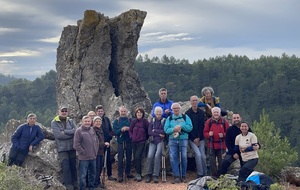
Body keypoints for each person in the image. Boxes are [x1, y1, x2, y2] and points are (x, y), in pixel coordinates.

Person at [164, 103, 193, 184]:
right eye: (174, 108)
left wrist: (181, 127)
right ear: (172, 110)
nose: (176, 110)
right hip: (172, 139)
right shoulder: (169, 118)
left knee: (183, 156)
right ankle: (176, 176)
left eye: (177, 108)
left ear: (180, 109)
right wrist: (174, 129)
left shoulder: (185, 117)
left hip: (183, 139)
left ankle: (183, 175)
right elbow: (166, 129)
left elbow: (190, 127)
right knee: (173, 157)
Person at [51, 106, 78, 190]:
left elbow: (76, 131)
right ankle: (68, 185)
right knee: (66, 167)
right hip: (62, 149)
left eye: (66, 111)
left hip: (72, 147)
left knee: (73, 166)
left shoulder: (70, 121)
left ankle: (75, 184)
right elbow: (59, 135)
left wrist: (65, 132)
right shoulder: (54, 122)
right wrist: (70, 134)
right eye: (62, 111)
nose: (64, 112)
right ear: (59, 112)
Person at [73, 115, 99, 190]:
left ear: (91, 122)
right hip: (83, 158)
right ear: (82, 122)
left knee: (92, 174)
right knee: (83, 175)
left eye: (88, 121)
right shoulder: (78, 131)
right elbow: (76, 145)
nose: (87, 123)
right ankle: (82, 188)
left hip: (93, 157)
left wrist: (95, 150)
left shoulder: (92, 129)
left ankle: (91, 187)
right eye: (86, 121)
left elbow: (96, 140)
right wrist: (83, 152)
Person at [203, 107, 229, 178]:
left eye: (217, 112)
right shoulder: (209, 122)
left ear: (220, 113)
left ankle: (221, 175)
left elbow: (228, 132)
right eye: (214, 112)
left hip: (221, 144)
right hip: (211, 144)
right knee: (212, 162)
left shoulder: (224, 122)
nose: (216, 114)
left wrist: (223, 135)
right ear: (212, 113)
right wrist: (209, 134)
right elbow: (205, 132)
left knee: (221, 161)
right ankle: (214, 176)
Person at [185, 95, 206, 178]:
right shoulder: (187, 113)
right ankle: (200, 174)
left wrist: (199, 138)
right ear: (190, 102)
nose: (194, 102)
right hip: (192, 139)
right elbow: (189, 127)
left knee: (203, 156)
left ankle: (205, 173)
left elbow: (202, 127)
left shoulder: (201, 113)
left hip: (201, 138)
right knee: (198, 155)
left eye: (196, 100)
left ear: (198, 101)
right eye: (193, 100)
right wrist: (194, 138)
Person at [95, 105, 116, 181]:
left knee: (108, 159)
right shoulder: (95, 121)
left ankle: (109, 174)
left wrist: (110, 136)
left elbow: (111, 130)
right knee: (99, 161)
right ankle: (98, 177)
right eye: (99, 111)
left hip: (107, 142)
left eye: (101, 111)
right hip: (98, 144)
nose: (100, 112)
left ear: (103, 112)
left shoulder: (106, 120)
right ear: (96, 112)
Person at [113, 106, 134, 183]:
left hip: (129, 140)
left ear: (127, 111)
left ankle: (128, 172)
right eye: (122, 111)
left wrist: (128, 128)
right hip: (120, 141)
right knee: (120, 158)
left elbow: (133, 129)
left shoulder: (130, 120)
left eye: (124, 111)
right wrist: (121, 130)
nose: (123, 113)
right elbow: (115, 132)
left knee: (129, 157)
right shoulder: (116, 121)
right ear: (119, 112)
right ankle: (120, 175)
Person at [145, 106, 166, 183]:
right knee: (150, 156)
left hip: (161, 141)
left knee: (157, 156)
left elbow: (164, 131)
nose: (158, 113)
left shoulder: (164, 120)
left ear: (162, 113)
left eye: (160, 112)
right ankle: (148, 174)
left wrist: (155, 130)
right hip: (153, 141)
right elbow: (149, 132)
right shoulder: (152, 120)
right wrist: (159, 133)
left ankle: (155, 175)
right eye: (157, 112)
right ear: (154, 113)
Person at [129, 107, 149, 182]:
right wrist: (131, 137)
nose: (139, 114)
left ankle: (139, 173)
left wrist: (145, 138)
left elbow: (148, 130)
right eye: (138, 113)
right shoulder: (133, 121)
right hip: (134, 142)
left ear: (143, 114)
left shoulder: (145, 122)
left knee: (138, 156)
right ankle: (138, 173)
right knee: (135, 157)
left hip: (142, 142)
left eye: (140, 113)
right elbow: (130, 130)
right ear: (136, 114)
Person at [93, 116, 109, 188]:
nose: (98, 123)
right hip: (95, 153)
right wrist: (104, 144)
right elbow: (94, 143)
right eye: (97, 121)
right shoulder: (93, 130)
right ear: (94, 122)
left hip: (100, 152)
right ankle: (95, 184)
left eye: (99, 121)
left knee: (99, 167)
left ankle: (98, 182)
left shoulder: (100, 130)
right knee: (96, 168)